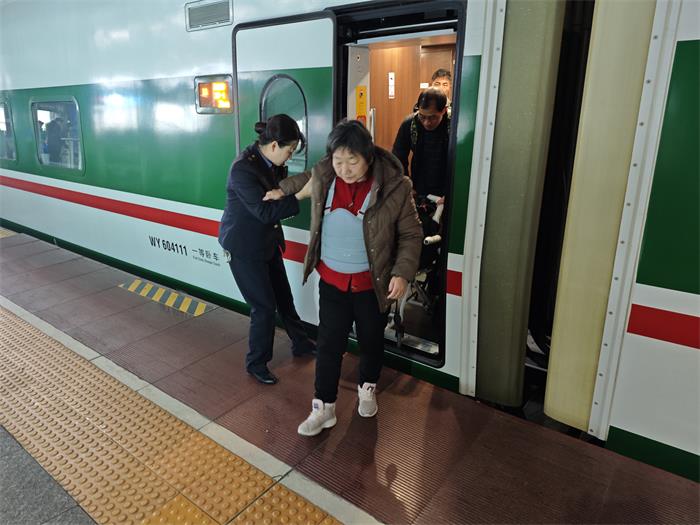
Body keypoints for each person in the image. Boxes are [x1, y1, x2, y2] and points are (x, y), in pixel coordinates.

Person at [265, 120, 422, 436]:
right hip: (332, 283)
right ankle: (324, 407)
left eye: (352, 161)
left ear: (368, 157)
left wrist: (402, 273)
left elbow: (411, 234)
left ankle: (368, 388)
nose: (344, 169)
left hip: (372, 285)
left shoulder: (395, 186)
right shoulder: (325, 174)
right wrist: (281, 189)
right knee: (328, 345)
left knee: (371, 342)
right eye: (338, 161)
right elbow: (305, 179)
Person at [218, 114, 316, 385]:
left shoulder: (272, 163)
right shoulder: (242, 169)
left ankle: (301, 343)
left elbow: (276, 195)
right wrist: (301, 195)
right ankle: (256, 363)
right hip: (244, 247)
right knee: (263, 306)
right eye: (289, 150)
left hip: (267, 242)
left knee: (284, 296)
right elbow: (264, 212)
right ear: (274, 145)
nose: (290, 156)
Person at [392, 87, 450, 203]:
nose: (427, 122)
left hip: (447, 187)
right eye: (422, 116)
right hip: (418, 186)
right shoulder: (410, 124)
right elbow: (398, 158)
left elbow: (462, 163)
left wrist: (452, 192)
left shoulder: (454, 125)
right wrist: (407, 185)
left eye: (433, 117)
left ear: (444, 110)